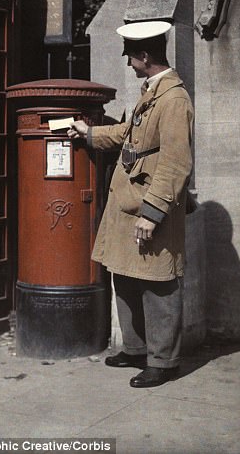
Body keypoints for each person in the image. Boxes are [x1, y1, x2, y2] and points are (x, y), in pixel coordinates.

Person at [68, 20, 194, 388]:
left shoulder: (173, 99)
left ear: (145, 55)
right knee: (123, 275)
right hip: (126, 204)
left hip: (148, 206)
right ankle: (136, 348)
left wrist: (152, 214)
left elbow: (176, 161)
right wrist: (89, 133)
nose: (128, 64)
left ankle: (164, 361)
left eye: (131, 58)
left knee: (158, 284)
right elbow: (128, 134)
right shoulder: (151, 91)